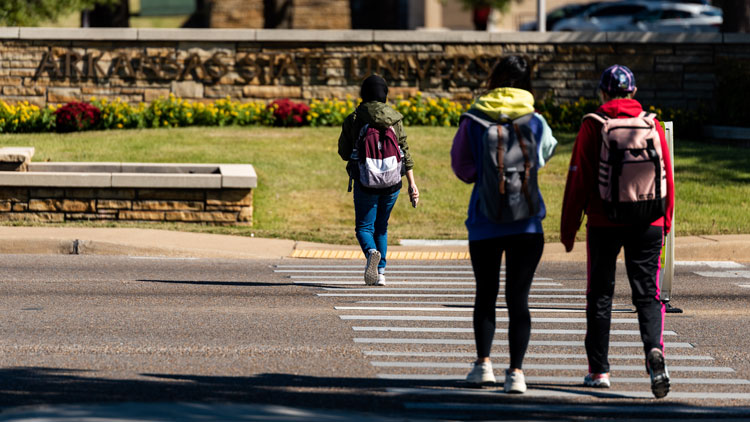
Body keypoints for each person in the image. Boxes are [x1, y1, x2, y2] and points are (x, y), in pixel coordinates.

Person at [560, 64, 674, 399]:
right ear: (633, 93)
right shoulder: (650, 123)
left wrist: (568, 230)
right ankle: (654, 351)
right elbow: (667, 175)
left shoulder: (593, 125)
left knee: (600, 295)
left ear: (603, 93)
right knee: (647, 294)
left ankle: (599, 371)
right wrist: (665, 222)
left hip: (604, 220)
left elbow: (578, 180)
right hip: (649, 221)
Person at [451, 55, 557, 394]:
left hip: (484, 221)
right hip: (526, 223)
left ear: (494, 80)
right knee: (519, 299)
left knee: (486, 294)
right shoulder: (536, 120)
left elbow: (462, 168)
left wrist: (487, 173)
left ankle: (483, 365)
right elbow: (544, 155)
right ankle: (516, 373)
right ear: (526, 83)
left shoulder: (473, 120)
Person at [338, 75, 419, 286]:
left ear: (363, 94)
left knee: (364, 228)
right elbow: (405, 152)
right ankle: (381, 273)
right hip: (392, 181)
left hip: (366, 179)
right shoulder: (395, 118)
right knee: (381, 227)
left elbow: (344, 153)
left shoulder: (354, 119)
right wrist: (412, 184)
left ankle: (371, 252)